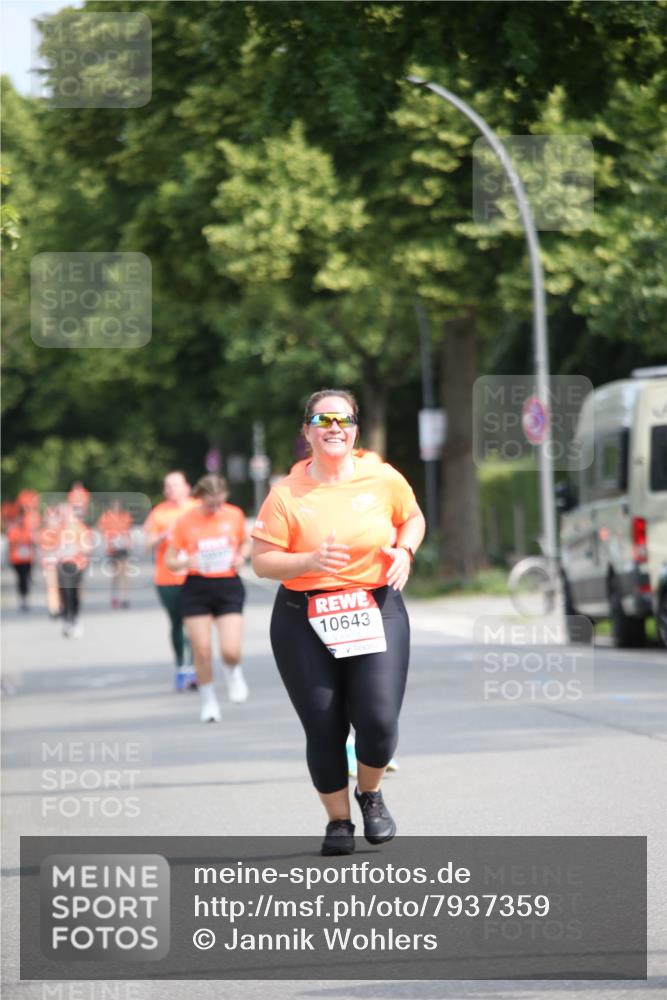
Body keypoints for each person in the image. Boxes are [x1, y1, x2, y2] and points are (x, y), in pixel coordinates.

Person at [252, 389, 425, 856]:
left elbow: (412, 518)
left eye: (343, 420)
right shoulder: (286, 494)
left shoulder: (382, 477)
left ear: (355, 429)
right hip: (302, 617)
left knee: (378, 718)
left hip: (374, 606)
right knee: (324, 726)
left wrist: (404, 550)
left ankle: (369, 792)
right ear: (306, 431)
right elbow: (262, 562)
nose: (334, 427)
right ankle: (338, 822)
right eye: (322, 419)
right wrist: (310, 559)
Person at [165, 474, 250, 722]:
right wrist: (184, 561)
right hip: (196, 587)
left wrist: (241, 556)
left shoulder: (234, 515)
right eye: (211, 504)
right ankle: (209, 702)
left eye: (220, 503)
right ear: (199, 498)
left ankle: (233, 671)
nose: (216, 509)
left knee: (230, 651)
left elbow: (245, 544)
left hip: (228, 585)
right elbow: (170, 560)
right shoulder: (184, 521)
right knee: (201, 651)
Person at [143, 472, 199, 690]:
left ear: (186, 487)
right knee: (177, 622)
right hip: (167, 578)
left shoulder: (197, 507)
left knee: (194, 623)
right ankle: (180, 666)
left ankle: (193, 668)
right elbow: (147, 546)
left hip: (194, 574)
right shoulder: (159, 513)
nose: (171, 490)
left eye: (175, 485)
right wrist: (162, 536)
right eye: (167, 486)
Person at [53, 502, 92, 637]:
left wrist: (76, 548)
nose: (64, 516)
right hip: (62, 564)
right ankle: (67, 618)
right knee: (65, 592)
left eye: (66, 513)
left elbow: (88, 547)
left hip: (77, 565)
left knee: (75, 592)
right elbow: (51, 547)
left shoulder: (80, 527)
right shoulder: (58, 529)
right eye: (61, 513)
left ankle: (74, 617)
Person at [97, 499, 133, 608]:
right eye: (114, 506)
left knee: (125, 573)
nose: (116, 508)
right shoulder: (106, 517)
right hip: (112, 548)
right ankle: (115, 597)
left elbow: (128, 530)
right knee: (115, 575)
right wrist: (108, 538)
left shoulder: (125, 516)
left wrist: (128, 541)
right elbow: (100, 528)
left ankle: (124, 597)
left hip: (123, 547)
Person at [6, 505, 36, 611]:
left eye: (22, 517)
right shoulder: (13, 530)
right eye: (19, 518)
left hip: (27, 559)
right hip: (17, 559)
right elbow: (10, 545)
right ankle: (23, 598)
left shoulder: (28, 530)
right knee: (20, 579)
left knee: (25, 578)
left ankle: (25, 597)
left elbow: (32, 543)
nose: (21, 520)